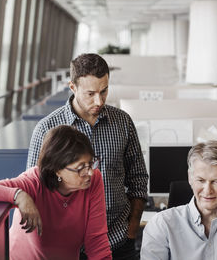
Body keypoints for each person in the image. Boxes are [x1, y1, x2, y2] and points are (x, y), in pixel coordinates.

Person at [27, 53, 148, 259]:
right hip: (67, 246)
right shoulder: (47, 128)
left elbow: (138, 178)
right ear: (72, 87)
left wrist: (132, 228)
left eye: (104, 91)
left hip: (118, 241)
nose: (98, 100)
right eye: (90, 93)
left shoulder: (123, 122)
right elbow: (35, 189)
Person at [0, 125, 112, 260]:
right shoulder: (33, 182)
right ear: (57, 169)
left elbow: (96, 240)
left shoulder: (93, 179)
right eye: (81, 168)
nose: (89, 172)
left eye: (91, 163)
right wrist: (19, 195)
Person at [141, 141, 217, 260]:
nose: (207, 191)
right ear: (190, 178)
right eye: (200, 180)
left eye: (216, 181)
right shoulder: (162, 224)